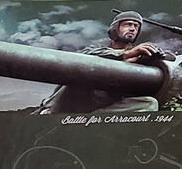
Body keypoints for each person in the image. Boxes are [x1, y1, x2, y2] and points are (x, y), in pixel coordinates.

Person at [39, 11, 167, 114]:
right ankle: (49, 110)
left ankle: (96, 121)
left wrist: (155, 58)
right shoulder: (96, 49)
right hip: (81, 100)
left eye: (136, 26)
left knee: (149, 103)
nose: (132, 29)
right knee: (81, 74)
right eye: (128, 25)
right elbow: (83, 57)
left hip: (106, 107)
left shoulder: (139, 55)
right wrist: (124, 55)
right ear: (115, 29)